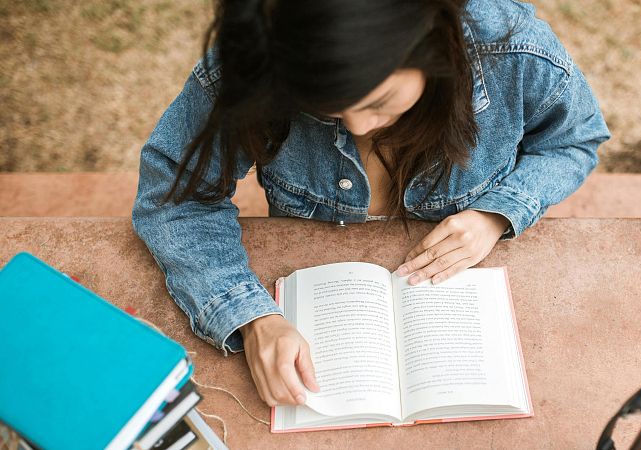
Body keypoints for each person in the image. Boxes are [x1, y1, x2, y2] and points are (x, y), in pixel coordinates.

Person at [132, 0, 610, 408]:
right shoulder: (262, 56)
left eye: (379, 99)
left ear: (431, 46)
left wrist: (496, 212)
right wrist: (251, 317)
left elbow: (574, 139)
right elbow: (175, 197)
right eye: (328, 107)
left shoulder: (512, 49)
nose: (360, 127)